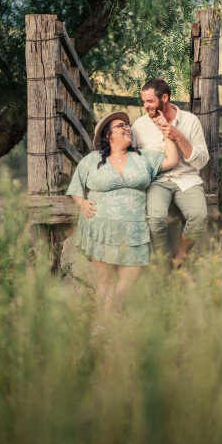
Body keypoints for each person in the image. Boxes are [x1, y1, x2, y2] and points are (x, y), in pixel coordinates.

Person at [66, 111, 178, 311]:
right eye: (121, 126)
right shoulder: (92, 159)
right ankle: (105, 324)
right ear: (108, 135)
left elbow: (171, 160)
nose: (127, 128)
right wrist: (81, 203)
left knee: (129, 280)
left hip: (134, 229)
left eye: (128, 126)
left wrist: (167, 130)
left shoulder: (142, 157)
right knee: (105, 281)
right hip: (102, 227)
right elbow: (76, 187)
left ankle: (112, 317)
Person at [131, 78, 209, 269]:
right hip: (157, 182)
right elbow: (131, 160)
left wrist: (178, 136)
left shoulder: (190, 121)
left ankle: (179, 258)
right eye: (143, 101)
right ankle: (161, 262)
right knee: (155, 219)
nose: (146, 106)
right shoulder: (139, 126)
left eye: (150, 101)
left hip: (187, 178)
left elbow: (201, 162)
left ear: (164, 98)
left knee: (199, 217)